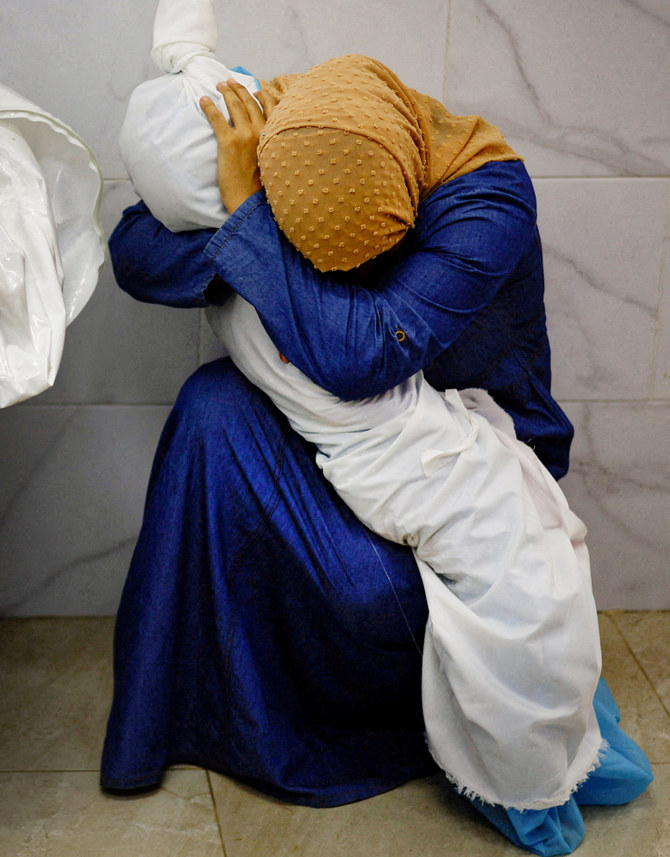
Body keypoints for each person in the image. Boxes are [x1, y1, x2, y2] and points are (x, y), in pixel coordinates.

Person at [102, 53, 652, 855]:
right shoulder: (313, 141)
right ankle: (181, 712)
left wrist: (252, 217)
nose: (340, 258)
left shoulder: (486, 201)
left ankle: (477, 735)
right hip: (352, 433)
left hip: (460, 443)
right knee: (211, 406)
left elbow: (361, 354)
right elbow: (136, 253)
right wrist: (247, 200)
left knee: (369, 587)